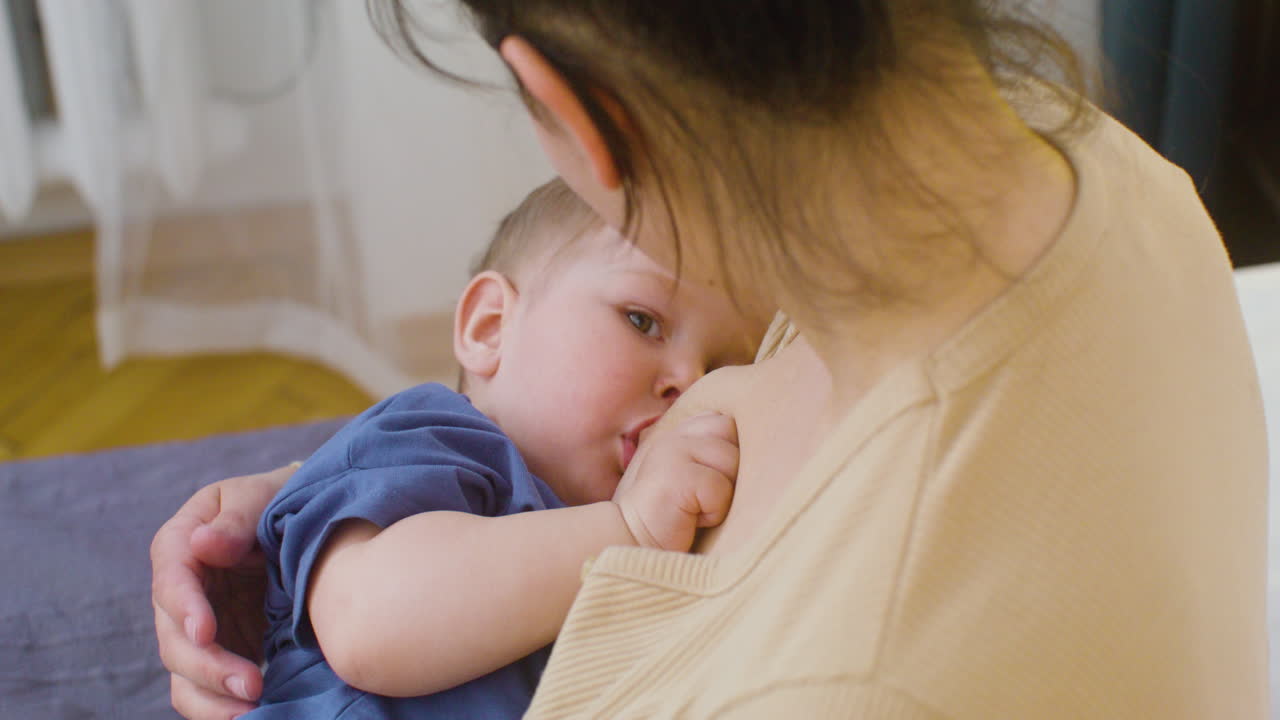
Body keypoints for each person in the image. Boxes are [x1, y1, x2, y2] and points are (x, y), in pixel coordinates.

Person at [152, 1, 1271, 718]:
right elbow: (374, 611)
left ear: (574, 111)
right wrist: (303, 506)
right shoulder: (1108, 174)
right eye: (640, 322)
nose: (694, 383)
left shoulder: (846, 676)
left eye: (726, 349)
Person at [240, 177, 759, 719]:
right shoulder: (425, 436)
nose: (690, 380)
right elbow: (365, 623)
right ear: (490, 328)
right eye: (642, 321)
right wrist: (628, 528)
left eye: (721, 368)